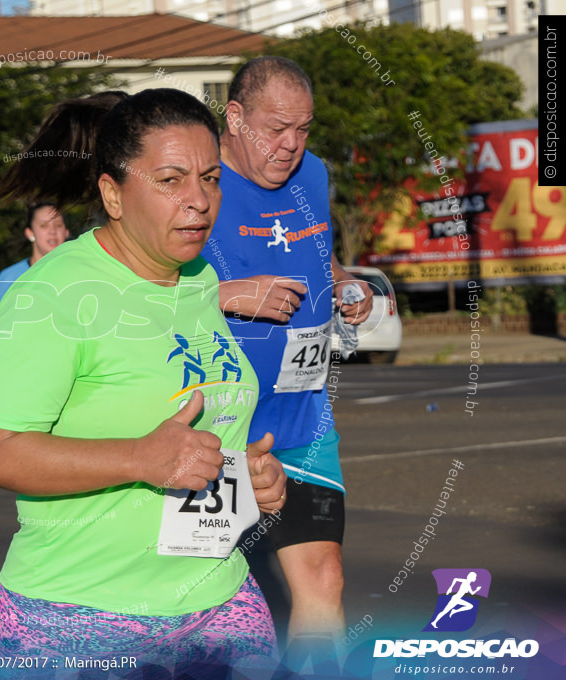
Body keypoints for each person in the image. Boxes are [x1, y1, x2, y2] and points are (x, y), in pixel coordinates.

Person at [0, 89, 287, 675]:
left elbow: (192, 417)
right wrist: (141, 458)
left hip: (218, 599)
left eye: (211, 178)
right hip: (76, 616)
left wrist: (248, 477)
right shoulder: (52, 294)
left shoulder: (198, 279)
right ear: (113, 194)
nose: (199, 201)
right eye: (171, 180)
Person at [199, 56, 373, 654]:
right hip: (217, 426)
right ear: (236, 116)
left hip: (304, 418)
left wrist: (347, 284)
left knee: (324, 575)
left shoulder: (314, 176)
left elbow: (317, 256)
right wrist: (226, 294)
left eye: (304, 129)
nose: (291, 145)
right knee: (203, 599)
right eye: (276, 128)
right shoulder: (195, 185)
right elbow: (141, 289)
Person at [0, 202, 69, 330]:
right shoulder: (8, 278)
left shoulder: (81, 274)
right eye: (43, 225)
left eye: (58, 225)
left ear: (66, 232)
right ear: (30, 233)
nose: (52, 231)